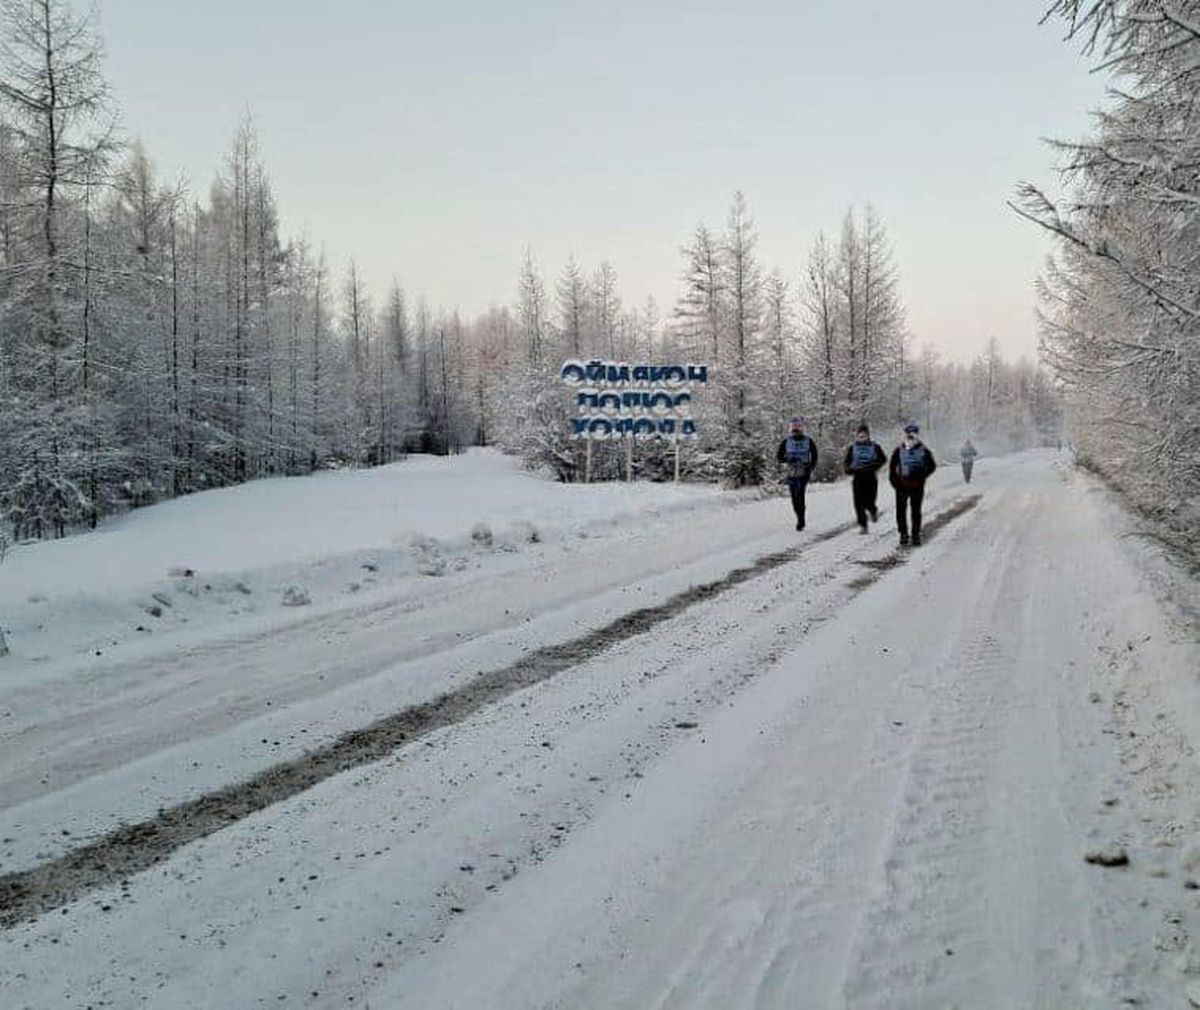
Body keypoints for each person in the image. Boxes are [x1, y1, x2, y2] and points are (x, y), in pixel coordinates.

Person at [889, 423, 937, 546]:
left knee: (916, 511)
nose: (910, 436)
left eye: (913, 434)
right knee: (901, 511)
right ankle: (903, 534)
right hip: (901, 485)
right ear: (905, 435)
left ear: (917, 435)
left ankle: (915, 535)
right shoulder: (898, 450)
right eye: (908, 434)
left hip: (917, 486)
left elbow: (932, 466)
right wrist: (895, 482)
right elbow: (892, 468)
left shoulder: (924, 450)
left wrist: (922, 476)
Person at [776, 417, 819, 531]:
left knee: (800, 494)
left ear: (802, 428)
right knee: (794, 498)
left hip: (804, 471)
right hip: (791, 472)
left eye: (798, 427)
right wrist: (788, 459)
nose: (796, 429)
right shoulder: (786, 442)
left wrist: (810, 467)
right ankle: (799, 515)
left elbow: (814, 456)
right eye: (794, 427)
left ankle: (801, 520)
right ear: (790, 429)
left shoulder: (808, 441)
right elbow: (779, 457)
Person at [843, 423, 886, 533]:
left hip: (870, 476)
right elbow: (847, 462)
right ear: (856, 436)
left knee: (869, 501)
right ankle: (863, 525)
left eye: (864, 435)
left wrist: (874, 466)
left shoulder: (875, 447)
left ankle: (873, 510)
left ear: (868, 436)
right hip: (858, 477)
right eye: (859, 435)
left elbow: (883, 459)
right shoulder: (852, 448)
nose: (862, 437)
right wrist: (848, 469)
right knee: (858, 502)